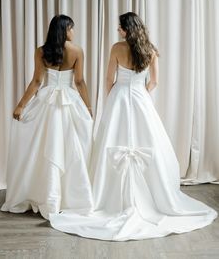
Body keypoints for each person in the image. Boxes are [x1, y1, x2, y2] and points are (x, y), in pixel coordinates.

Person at [49, 12, 217, 241]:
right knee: (149, 142)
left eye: (120, 27)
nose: (118, 30)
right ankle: (155, 197)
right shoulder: (151, 50)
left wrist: (112, 99)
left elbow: (109, 79)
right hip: (140, 98)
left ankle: (104, 199)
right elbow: (154, 81)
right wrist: (141, 94)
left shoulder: (117, 49)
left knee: (111, 140)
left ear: (127, 29)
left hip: (119, 98)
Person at [1, 15, 93, 219]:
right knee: (69, 148)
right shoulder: (77, 51)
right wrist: (88, 106)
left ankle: (42, 193)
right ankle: (69, 197)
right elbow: (79, 81)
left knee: (41, 147)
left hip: (46, 100)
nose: (74, 32)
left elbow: (36, 81)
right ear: (66, 29)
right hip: (69, 101)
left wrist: (21, 105)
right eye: (72, 28)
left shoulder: (42, 51)